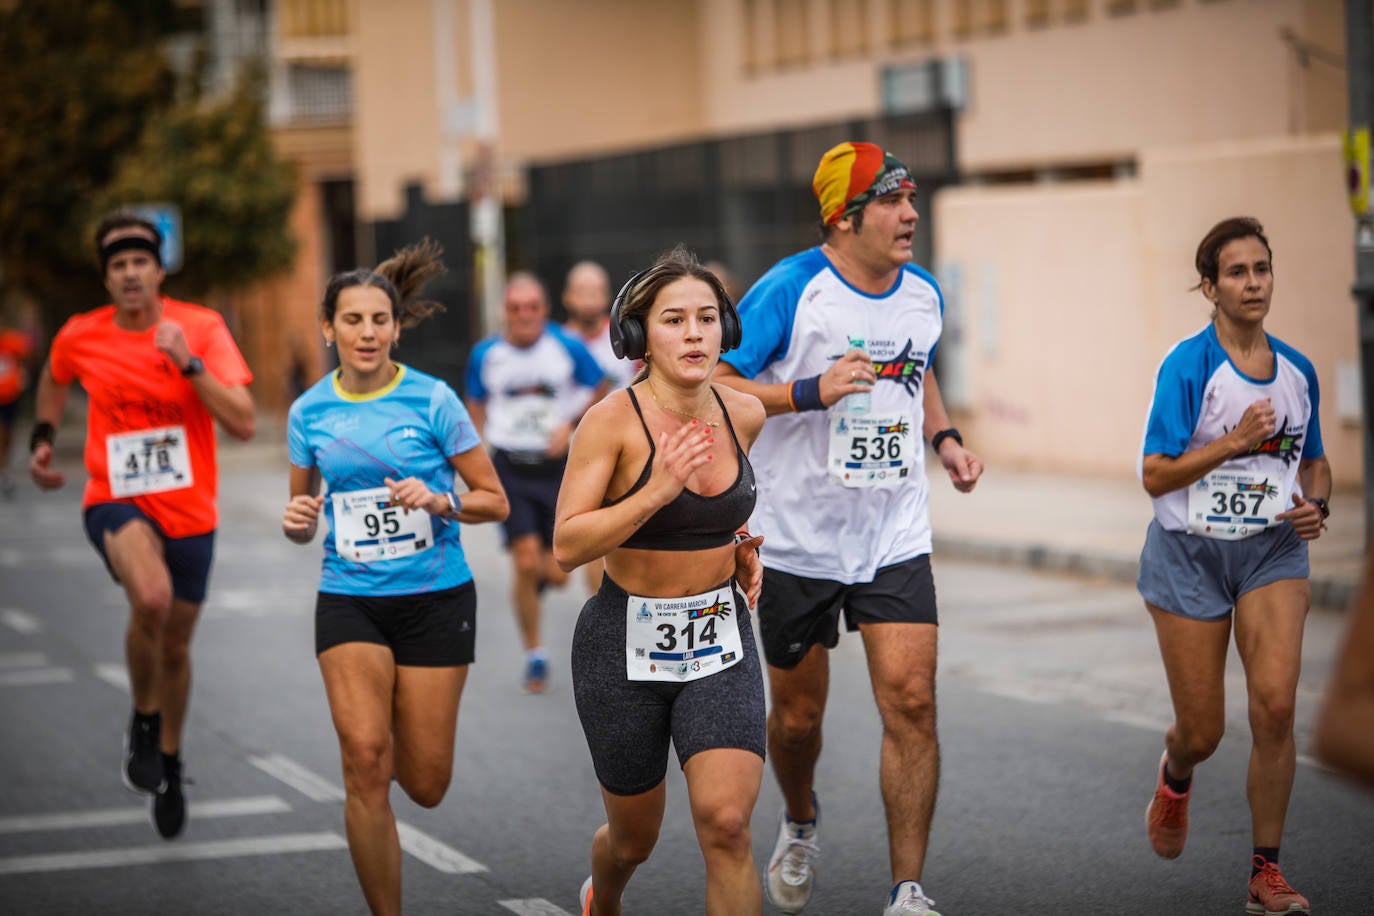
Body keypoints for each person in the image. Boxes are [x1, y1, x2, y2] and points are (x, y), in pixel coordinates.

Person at [714, 141, 983, 916]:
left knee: (913, 701)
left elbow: (918, 369)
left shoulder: (924, 292)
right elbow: (721, 383)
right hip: (797, 538)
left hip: (893, 531)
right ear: (845, 217)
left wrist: (946, 440)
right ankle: (800, 821)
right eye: (895, 202)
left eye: (912, 199)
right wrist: (808, 389)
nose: (911, 214)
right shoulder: (791, 291)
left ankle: (907, 891)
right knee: (798, 720)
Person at [281, 241, 509, 916]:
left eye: (379, 319)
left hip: (437, 597)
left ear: (397, 327)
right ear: (329, 329)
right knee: (364, 759)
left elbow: (492, 497)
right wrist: (297, 521)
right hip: (350, 597)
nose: (367, 333)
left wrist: (441, 502)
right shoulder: (308, 413)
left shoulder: (433, 401)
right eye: (352, 320)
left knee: (427, 782)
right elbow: (302, 515)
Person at [551, 244, 768, 915]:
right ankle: (605, 894)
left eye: (707, 318)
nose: (695, 332)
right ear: (639, 334)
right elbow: (567, 544)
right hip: (623, 644)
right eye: (674, 319)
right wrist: (656, 490)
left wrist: (736, 544)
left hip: (718, 636)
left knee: (727, 825)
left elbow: (714, 514)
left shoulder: (744, 413)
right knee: (633, 839)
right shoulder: (610, 422)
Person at [28, 212, 256, 838]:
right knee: (150, 598)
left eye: (139, 262)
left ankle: (172, 760)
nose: (130, 274)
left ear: (159, 270)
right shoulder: (82, 334)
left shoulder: (201, 328)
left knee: (177, 646)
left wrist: (189, 364)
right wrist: (44, 437)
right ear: (107, 280)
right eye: (117, 266)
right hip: (115, 498)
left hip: (191, 512)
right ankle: (143, 721)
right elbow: (53, 377)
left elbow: (243, 422)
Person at [1137, 217, 1329, 916]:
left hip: (1273, 550)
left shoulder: (1298, 371)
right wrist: (1233, 442)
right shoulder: (1188, 366)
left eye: (1262, 269)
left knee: (1276, 707)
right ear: (1211, 287)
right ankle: (1177, 771)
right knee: (1205, 730)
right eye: (1238, 272)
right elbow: (1156, 474)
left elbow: (1314, 463)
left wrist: (1319, 506)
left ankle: (1264, 872)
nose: (1253, 283)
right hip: (1190, 555)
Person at [465, 272, 608, 692]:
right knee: (525, 561)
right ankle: (535, 655)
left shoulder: (566, 347)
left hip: (559, 469)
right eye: (515, 308)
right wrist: (481, 451)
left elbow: (600, 387)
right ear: (504, 312)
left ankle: (542, 576)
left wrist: (570, 422)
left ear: (544, 310)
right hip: (510, 468)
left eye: (532, 307)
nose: (524, 316)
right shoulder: (485, 354)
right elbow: (475, 400)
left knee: (559, 573)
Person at [563, 260, 640, 595]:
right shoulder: (558, 342)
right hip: (572, 455)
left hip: (626, 450)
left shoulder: (626, 342)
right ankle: (599, 606)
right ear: (568, 297)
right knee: (590, 536)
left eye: (596, 291)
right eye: (582, 291)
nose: (590, 299)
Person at [1314, 546, 1374, 790]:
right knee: (1201, 738)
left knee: (1276, 709)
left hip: (1278, 551)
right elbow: (1341, 730)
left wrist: (1319, 506)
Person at [0, 319, 35, 498]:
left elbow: (28, 353)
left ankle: (5, 471)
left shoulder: (12, 341)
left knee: (7, 436)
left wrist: (23, 374)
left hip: (9, 397)